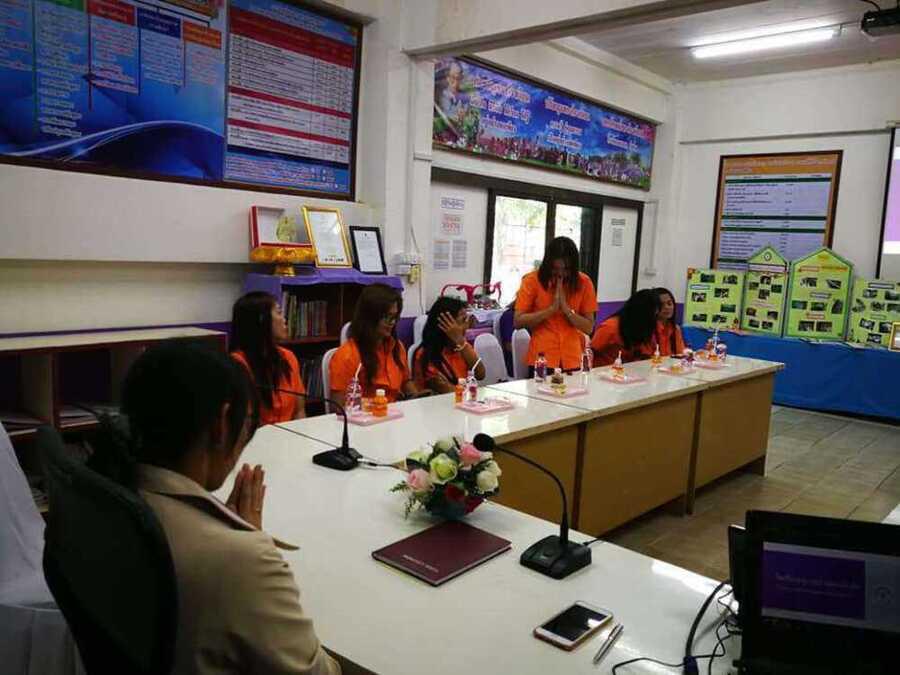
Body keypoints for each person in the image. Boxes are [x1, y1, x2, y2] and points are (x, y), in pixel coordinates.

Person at [92, 342, 341, 674]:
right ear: (223, 424)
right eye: (248, 423)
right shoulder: (240, 559)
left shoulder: (105, 497)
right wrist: (249, 543)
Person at [514, 236, 596, 371]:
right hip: (542, 358)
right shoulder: (532, 281)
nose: (560, 274)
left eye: (566, 269)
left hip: (573, 358)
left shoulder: (584, 282)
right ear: (548, 264)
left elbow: (588, 328)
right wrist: (550, 310)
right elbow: (518, 321)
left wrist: (566, 310)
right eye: (555, 268)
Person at [329, 284, 421, 403]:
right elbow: (338, 405)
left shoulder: (397, 347)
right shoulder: (347, 355)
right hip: (365, 413)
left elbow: (406, 382)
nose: (392, 323)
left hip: (394, 411)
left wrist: (418, 399)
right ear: (369, 318)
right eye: (388, 317)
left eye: (395, 317)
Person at [230, 292, 305, 424]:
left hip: (291, 434)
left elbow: (299, 410)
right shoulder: (238, 363)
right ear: (262, 320)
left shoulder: (288, 357)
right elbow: (244, 420)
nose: (284, 319)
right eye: (279, 313)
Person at [413, 297, 485, 393]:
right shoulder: (426, 354)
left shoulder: (461, 346)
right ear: (445, 324)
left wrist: (462, 343)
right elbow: (447, 390)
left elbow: (481, 374)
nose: (467, 326)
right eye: (463, 320)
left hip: (463, 398)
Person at [591, 289, 659, 366]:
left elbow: (650, 353)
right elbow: (590, 352)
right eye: (651, 314)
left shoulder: (647, 329)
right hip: (603, 370)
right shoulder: (610, 327)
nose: (653, 318)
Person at [654, 287, 685, 356]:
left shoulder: (675, 329)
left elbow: (680, 354)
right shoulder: (649, 329)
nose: (666, 307)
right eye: (661, 304)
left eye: (669, 303)